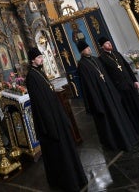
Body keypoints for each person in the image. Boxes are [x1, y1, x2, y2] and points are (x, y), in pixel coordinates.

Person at [26, 47, 87, 192]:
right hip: (49, 121)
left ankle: (75, 176)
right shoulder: (31, 77)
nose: (42, 59)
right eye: (39, 57)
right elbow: (40, 104)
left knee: (66, 149)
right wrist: (50, 124)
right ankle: (65, 181)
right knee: (58, 152)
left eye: (41, 56)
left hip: (56, 117)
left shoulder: (39, 73)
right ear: (33, 60)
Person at [77, 40, 139, 151]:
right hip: (101, 97)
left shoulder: (95, 60)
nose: (89, 49)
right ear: (82, 52)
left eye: (89, 47)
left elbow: (107, 77)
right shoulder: (82, 65)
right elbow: (88, 86)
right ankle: (119, 142)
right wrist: (96, 102)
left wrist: (115, 93)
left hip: (110, 93)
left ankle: (130, 138)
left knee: (121, 115)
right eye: (86, 48)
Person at [98, 36, 139, 135]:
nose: (109, 44)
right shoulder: (101, 59)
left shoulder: (117, 53)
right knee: (129, 109)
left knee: (138, 106)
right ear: (102, 46)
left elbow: (127, 67)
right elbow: (107, 76)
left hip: (130, 84)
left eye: (109, 42)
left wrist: (135, 80)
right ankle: (136, 130)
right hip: (120, 88)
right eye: (106, 43)